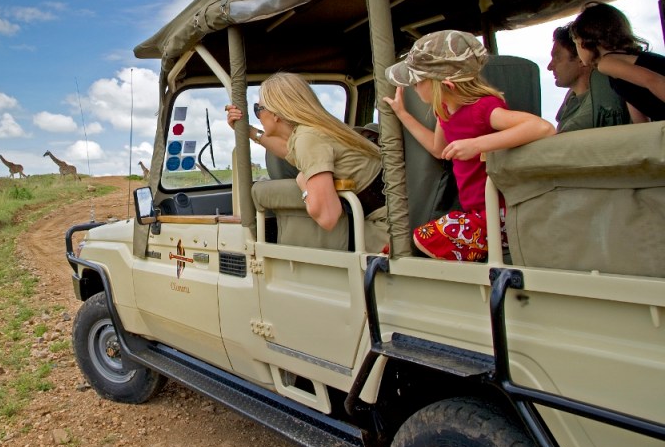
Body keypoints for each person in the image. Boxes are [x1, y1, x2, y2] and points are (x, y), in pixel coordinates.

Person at [383, 30, 555, 262]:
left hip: (498, 215)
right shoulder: (444, 110)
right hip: (474, 212)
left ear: (445, 85)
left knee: (424, 239)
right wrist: (402, 114)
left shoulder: (484, 109)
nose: (413, 86)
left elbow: (543, 128)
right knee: (397, 246)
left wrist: (477, 145)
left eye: (417, 80)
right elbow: (437, 148)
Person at [225, 72, 387, 250]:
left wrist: (303, 186)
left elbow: (328, 217)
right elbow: (287, 150)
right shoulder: (311, 132)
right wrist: (246, 129)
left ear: (276, 113)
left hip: (384, 231)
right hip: (394, 220)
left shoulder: (308, 138)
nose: (258, 114)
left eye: (258, 109)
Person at [570, 1, 665, 122]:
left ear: (584, 43)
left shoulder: (607, 63)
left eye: (576, 43)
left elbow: (653, 80)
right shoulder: (623, 63)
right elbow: (638, 112)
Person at [548, 24, 629, 132]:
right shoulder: (570, 101)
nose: (549, 67)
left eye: (557, 57)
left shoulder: (604, 99)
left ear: (581, 59)